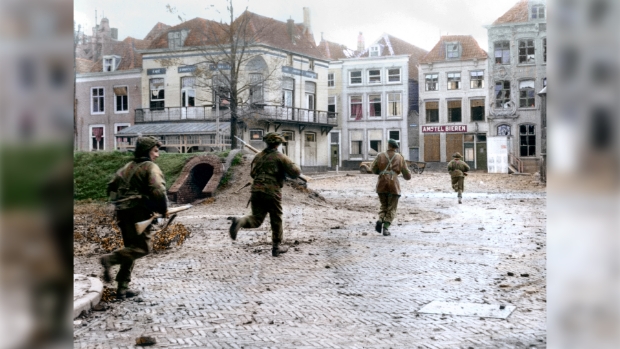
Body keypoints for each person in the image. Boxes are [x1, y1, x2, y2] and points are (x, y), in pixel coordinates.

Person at [101, 136, 168, 299]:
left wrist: (120, 202)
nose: (157, 155)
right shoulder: (150, 167)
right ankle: (109, 260)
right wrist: (163, 209)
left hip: (122, 213)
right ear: (147, 151)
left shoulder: (126, 167)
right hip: (139, 212)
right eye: (155, 151)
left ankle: (122, 288)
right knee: (142, 248)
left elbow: (111, 187)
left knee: (130, 248)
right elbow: (158, 190)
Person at [228, 132, 301, 257]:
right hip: (272, 192)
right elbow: (296, 172)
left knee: (256, 219)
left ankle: (239, 221)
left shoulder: (258, 156)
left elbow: (253, 174)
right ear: (278, 144)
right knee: (276, 218)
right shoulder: (281, 157)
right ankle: (276, 247)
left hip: (256, 191)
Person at [371, 139, 411, 236]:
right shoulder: (400, 157)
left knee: (383, 205)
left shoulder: (380, 155)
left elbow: (373, 169)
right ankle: (386, 228)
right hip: (393, 184)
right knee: (392, 207)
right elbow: (407, 176)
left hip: (381, 183)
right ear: (396, 147)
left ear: (388, 145)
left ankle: (380, 220)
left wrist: (382, 173)